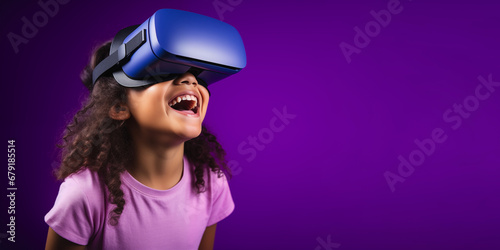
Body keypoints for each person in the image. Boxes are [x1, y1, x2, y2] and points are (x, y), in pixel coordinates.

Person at [44, 41, 235, 250]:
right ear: (119, 107)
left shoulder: (210, 183)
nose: (190, 79)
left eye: (196, 74)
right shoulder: (84, 195)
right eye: (163, 72)